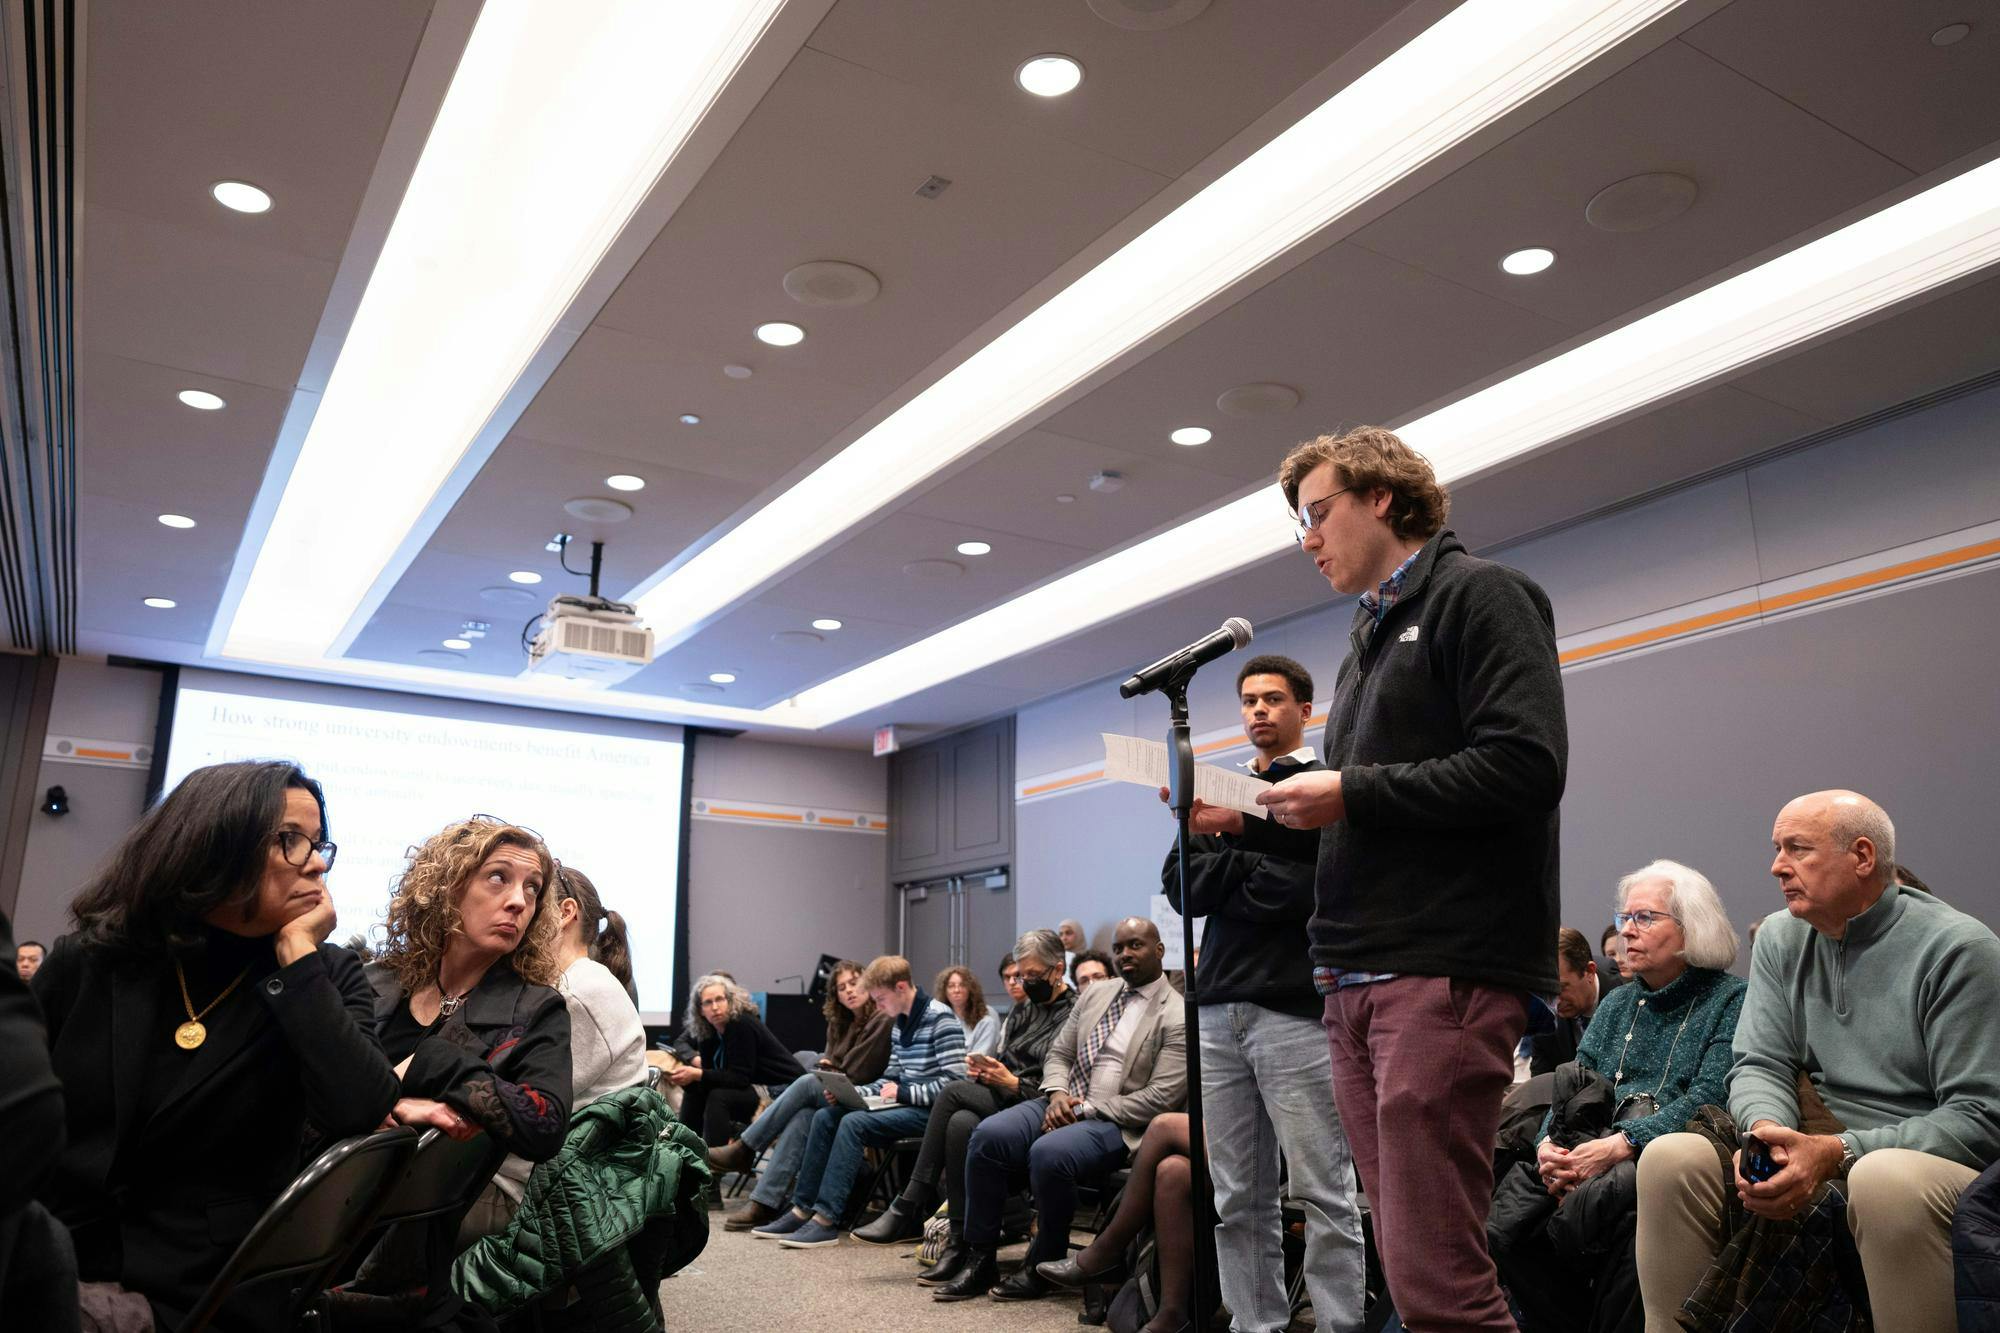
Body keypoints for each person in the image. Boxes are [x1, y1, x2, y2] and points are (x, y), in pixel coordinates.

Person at [1258, 425, 1567, 1333]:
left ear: (1382, 497)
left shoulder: (1484, 596)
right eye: (1298, 524)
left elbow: (1524, 764)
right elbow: (1373, 819)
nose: (1308, 538)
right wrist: (1251, 817)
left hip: (1443, 967)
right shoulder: (1368, 633)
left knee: (1439, 1279)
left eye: (1318, 513)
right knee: (1409, 1259)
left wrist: (1349, 788)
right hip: (1357, 973)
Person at [33, 761, 398, 1330]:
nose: (318, 861)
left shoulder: (322, 977)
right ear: (215, 842)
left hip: (203, 1287)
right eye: (291, 841)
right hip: (53, 1251)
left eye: (319, 842)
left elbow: (359, 1108)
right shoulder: (91, 959)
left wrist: (298, 958)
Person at [1637, 791, 2000, 1333]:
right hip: (1808, 1136)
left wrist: (1837, 1151)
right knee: (1671, 1158)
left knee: (1885, 1181)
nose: (1776, 865)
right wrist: (1765, 1133)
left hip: (1915, 1158)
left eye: (1797, 849)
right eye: (1776, 847)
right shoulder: (1782, 936)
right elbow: (1760, 1062)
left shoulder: (1959, 949)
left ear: (1862, 856)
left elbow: (1980, 1117)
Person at [1161, 651, 1365, 1333]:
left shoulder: (1324, 787)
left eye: (1273, 698)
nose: (1257, 710)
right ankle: (1258, 1326)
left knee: (1322, 1189)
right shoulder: (1219, 787)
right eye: (1248, 699)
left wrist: (1234, 863)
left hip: (1294, 1010)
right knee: (1237, 1196)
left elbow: (1312, 890)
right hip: (1217, 1008)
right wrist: (1253, 865)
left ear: (1304, 709)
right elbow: (1183, 886)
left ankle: (1339, 1325)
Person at [1497, 862, 1745, 1333]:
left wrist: (1623, 1144)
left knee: (1620, 1223)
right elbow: (1572, 1087)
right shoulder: (1617, 1003)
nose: (1627, 931)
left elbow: (1711, 1095)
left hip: (1660, 1156)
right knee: (1504, 1227)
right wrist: (1549, 1145)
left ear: (1692, 928)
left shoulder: (1730, 1000)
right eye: (1624, 917)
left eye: (1645, 918)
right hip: (1590, 1148)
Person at [936, 917, 1187, 1302]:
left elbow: (1160, 1097)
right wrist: (1055, 1094)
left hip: (1117, 1120)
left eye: (1135, 945)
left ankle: (1044, 1262)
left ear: (1159, 950)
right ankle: (980, 1256)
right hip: (1061, 1099)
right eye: (1118, 948)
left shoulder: (1177, 1014)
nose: (1124, 954)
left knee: (1048, 1152)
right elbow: (1060, 1053)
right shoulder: (1096, 993)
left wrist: (1085, 1108)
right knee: (986, 1135)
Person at [852, 929, 1077, 1271]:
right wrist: (987, 1071)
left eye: (1032, 975)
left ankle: (910, 1203)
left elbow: (1063, 1082)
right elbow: (1006, 1058)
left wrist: (1013, 1082)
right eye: (1019, 974)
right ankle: (962, 1246)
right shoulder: (1022, 1012)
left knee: (951, 1092)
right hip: (1003, 1097)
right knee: (960, 1123)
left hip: (1037, 1104)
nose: (1024, 982)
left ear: (1057, 969)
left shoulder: (1074, 1013)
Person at [473, 865, 646, 1239]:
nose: (520, 908)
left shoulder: (577, 992)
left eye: (534, 895)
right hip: (549, 1183)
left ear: (565, 913)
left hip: (529, 1196)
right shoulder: (576, 982)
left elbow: (522, 1111)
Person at [754, 954, 967, 1248]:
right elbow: (891, 1077)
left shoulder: (940, 1018)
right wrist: (854, 1094)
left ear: (901, 987)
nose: (877, 1006)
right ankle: (802, 1208)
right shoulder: (900, 1023)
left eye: (880, 998)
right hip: (903, 1105)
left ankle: (826, 1219)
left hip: (929, 1112)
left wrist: (904, 1093)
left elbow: (956, 1085)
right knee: (826, 1115)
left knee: (853, 1123)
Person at [711, 959, 892, 1230]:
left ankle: (745, 1148)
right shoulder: (840, 1022)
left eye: (854, 983)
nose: (849, 991)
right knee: (805, 1115)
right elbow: (834, 1065)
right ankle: (765, 1202)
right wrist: (831, 1070)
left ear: (867, 983)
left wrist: (833, 1070)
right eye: (842, 987)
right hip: (839, 1093)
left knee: (808, 1082)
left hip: (871, 1098)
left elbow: (863, 1069)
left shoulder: (882, 1019)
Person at [1037, 1114, 1210, 1333]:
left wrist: (1086, 1109)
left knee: (1162, 1127)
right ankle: (1173, 1315)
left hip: (1263, 1152)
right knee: (1172, 1171)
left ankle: (1106, 1253)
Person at [670, 972, 804, 1147]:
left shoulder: (740, 1024)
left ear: (730, 1001)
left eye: (720, 999)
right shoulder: (707, 1030)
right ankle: (684, 1153)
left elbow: (739, 1077)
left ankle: (714, 1164)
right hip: (751, 1085)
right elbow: (714, 1074)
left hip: (779, 1090)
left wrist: (698, 1074)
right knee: (695, 1091)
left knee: (718, 1096)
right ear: (700, 1010)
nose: (715, 1007)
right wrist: (690, 1079)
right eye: (708, 1003)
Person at [1526, 927, 1623, 1077]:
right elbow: (1542, 1085)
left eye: (1560, 988)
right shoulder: (1545, 1020)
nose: (1553, 1002)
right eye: (1545, 991)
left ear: (1589, 972)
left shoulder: (1628, 1003)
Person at [939, 964, 999, 1055]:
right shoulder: (939, 1019)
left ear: (970, 989)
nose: (956, 990)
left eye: (962, 985)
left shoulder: (986, 1021)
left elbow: (981, 1059)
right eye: (951, 986)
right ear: (944, 991)